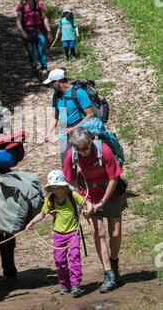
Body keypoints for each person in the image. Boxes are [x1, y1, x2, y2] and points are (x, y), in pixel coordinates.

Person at [63, 127, 127, 293]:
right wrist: (83, 203)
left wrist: (103, 201)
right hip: (89, 195)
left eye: (85, 148)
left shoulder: (104, 150)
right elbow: (72, 181)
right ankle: (109, 274)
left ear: (91, 142)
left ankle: (114, 265)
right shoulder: (71, 155)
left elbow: (114, 178)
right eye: (79, 149)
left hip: (111, 193)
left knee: (115, 233)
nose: (83, 152)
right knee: (98, 233)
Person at [26, 170, 92, 296]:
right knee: (59, 260)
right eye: (53, 188)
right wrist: (32, 223)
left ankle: (76, 284)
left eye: (59, 188)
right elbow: (42, 214)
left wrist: (88, 211)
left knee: (74, 257)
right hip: (58, 235)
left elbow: (87, 203)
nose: (57, 191)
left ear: (64, 186)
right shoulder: (50, 199)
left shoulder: (72, 195)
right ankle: (64, 284)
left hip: (73, 233)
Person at [44, 69, 94, 163]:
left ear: (57, 82)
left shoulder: (79, 92)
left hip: (80, 131)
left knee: (84, 161)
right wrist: (49, 133)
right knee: (66, 162)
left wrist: (74, 128)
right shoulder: (56, 96)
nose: (50, 86)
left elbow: (90, 114)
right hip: (64, 131)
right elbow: (55, 115)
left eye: (51, 83)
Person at [16, 0, 53, 81]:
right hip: (27, 32)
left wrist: (49, 32)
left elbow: (44, 18)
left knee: (42, 48)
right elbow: (18, 21)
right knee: (31, 52)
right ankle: (35, 70)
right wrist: (22, 32)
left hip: (38, 30)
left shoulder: (39, 5)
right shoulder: (21, 7)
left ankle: (44, 69)